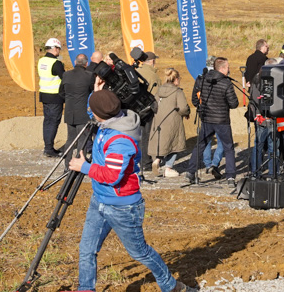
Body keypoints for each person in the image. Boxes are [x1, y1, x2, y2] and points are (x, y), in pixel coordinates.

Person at [69, 89, 197, 292]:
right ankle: (86, 288)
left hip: (122, 206)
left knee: (140, 252)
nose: (90, 114)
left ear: (100, 113)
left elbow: (112, 176)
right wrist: (97, 87)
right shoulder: (108, 120)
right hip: (100, 200)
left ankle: (172, 286)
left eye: (93, 111)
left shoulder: (120, 139)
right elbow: (93, 106)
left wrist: (83, 167)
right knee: (87, 249)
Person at [188, 57, 239, 187]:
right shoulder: (226, 83)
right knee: (228, 147)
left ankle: (191, 171)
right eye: (228, 67)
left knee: (201, 145)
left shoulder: (203, 80)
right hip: (221, 120)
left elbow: (196, 98)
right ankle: (230, 176)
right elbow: (234, 104)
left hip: (206, 118)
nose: (229, 69)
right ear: (222, 68)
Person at [149, 68, 190, 178]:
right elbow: (183, 108)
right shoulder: (177, 92)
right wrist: (186, 113)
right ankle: (168, 168)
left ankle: (157, 160)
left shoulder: (159, 90)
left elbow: (154, 105)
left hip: (159, 120)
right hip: (173, 120)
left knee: (162, 142)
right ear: (176, 79)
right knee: (174, 144)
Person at [60, 53, 94, 162]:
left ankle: (67, 165)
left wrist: (69, 100)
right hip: (83, 112)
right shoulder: (89, 75)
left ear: (75, 63)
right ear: (86, 64)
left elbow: (60, 92)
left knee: (70, 139)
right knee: (82, 140)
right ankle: (80, 165)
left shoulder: (66, 75)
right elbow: (92, 92)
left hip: (70, 111)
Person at [38, 38, 66, 157]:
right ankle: (49, 149)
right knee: (53, 122)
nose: (59, 51)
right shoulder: (56, 63)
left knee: (47, 122)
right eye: (58, 49)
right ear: (55, 48)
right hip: (55, 97)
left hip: (44, 95)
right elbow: (65, 78)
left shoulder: (41, 61)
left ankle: (47, 147)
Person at [136, 51, 160, 169]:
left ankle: (137, 160)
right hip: (147, 110)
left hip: (135, 108)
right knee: (146, 136)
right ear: (152, 61)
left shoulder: (137, 71)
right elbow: (156, 95)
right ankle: (145, 162)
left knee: (136, 135)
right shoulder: (153, 75)